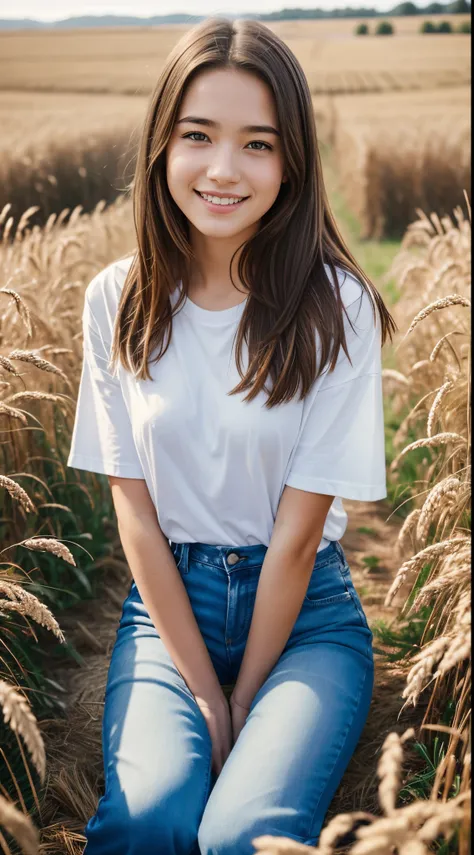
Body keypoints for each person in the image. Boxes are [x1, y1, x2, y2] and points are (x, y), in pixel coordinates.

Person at [67, 15, 397, 855]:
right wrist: (203, 698)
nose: (223, 169)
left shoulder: (336, 309)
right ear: (161, 146)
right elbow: (133, 511)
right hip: (166, 604)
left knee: (243, 834)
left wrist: (243, 696)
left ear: (292, 164)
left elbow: (295, 538)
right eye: (198, 136)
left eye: (258, 144)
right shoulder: (118, 299)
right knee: (150, 823)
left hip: (307, 619)